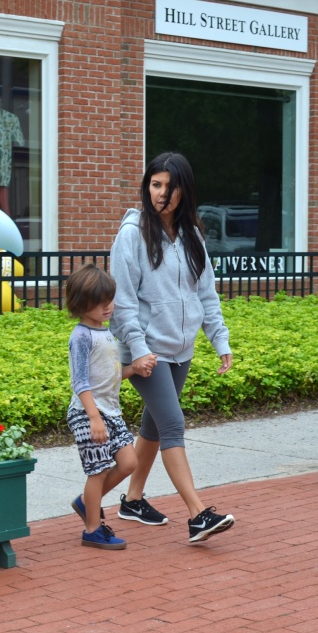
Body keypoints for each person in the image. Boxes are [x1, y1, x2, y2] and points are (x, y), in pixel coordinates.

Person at [109, 151, 236, 544]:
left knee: (154, 426)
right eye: (155, 184)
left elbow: (206, 294)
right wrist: (138, 347)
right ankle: (198, 514)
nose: (161, 193)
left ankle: (129, 500)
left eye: (170, 185)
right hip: (146, 350)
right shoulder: (132, 234)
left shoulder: (192, 235)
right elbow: (123, 302)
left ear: (184, 190)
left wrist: (220, 339)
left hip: (181, 347)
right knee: (173, 423)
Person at [64, 265, 151, 550]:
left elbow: (110, 374)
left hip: (109, 411)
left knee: (128, 463)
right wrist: (93, 418)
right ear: (80, 304)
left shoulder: (105, 332)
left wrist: (134, 368)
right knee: (98, 470)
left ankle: (87, 501)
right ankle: (92, 529)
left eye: (109, 300)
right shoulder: (81, 337)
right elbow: (80, 381)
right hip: (88, 413)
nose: (107, 307)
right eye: (99, 302)